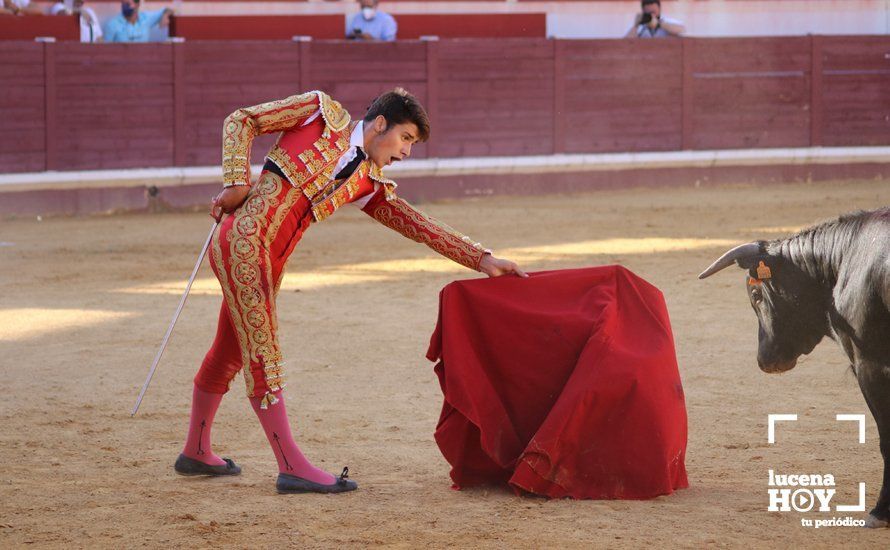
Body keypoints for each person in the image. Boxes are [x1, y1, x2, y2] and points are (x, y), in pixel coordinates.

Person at [174, 88, 526, 494]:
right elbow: (242, 119)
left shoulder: (366, 182)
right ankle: (291, 465)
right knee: (264, 355)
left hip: (268, 260)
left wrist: (481, 259)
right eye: (406, 138)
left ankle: (196, 450)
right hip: (246, 242)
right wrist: (237, 183)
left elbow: (416, 223)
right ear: (380, 124)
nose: (407, 152)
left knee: (231, 350)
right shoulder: (318, 113)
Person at [104, 0, 172, 43]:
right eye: (123, 3)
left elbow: (168, 9)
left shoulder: (146, 18)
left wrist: (165, 16)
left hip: (143, 62)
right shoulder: (112, 24)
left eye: (128, 4)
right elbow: (105, 50)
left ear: (137, 4)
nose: (124, 7)